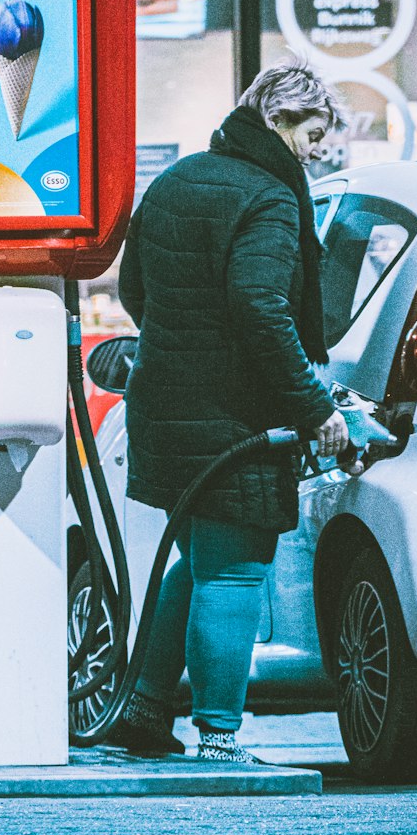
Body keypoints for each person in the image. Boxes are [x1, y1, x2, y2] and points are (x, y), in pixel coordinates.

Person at [113, 60, 351, 763]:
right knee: (237, 567)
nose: (316, 149)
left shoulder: (179, 178)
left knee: (196, 558)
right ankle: (220, 737)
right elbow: (261, 306)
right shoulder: (271, 198)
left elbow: (134, 290)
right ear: (277, 120)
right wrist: (312, 408)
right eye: (312, 133)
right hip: (233, 419)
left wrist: (182, 348)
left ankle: (145, 712)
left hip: (164, 407)